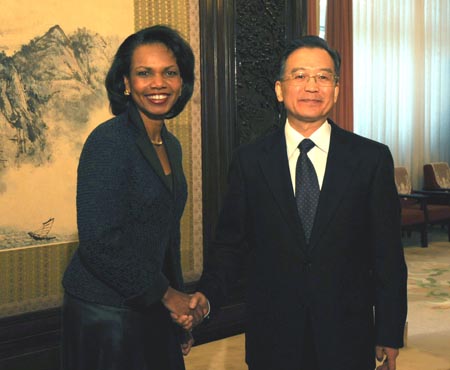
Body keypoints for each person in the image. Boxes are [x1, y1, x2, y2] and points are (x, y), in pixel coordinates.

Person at [185, 36, 408, 370]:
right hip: (272, 335)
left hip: (347, 334)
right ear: (279, 89)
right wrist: (206, 298)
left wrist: (389, 330)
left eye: (323, 77)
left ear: (336, 89)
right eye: (300, 76)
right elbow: (230, 245)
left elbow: (388, 253)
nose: (311, 87)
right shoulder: (249, 161)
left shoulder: (371, 158)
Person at [61, 25, 205, 370]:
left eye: (170, 72)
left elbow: (167, 236)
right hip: (106, 312)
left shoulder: (171, 145)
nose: (158, 83)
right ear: (126, 83)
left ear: (182, 82)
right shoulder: (108, 141)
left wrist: (177, 315)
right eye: (144, 73)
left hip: (151, 300)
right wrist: (170, 296)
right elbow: (99, 241)